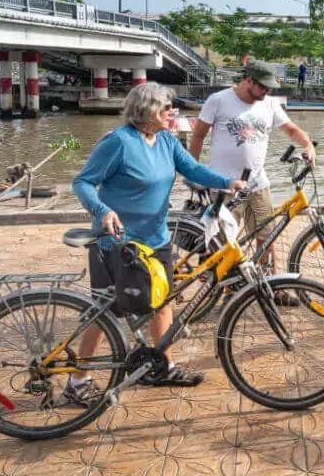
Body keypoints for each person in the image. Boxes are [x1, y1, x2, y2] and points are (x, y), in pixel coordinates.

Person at [70, 83, 246, 405]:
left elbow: (191, 168)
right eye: (167, 109)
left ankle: (164, 366)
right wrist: (102, 210)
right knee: (106, 312)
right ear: (148, 110)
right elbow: (82, 182)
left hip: (157, 239)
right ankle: (78, 380)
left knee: (162, 301)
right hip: (118, 243)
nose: (172, 114)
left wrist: (227, 182)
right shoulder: (118, 142)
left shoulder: (166, 140)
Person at [187, 60, 316, 275]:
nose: (267, 91)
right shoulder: (218, 100)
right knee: (222, 240)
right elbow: (198, 135)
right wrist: (193, 171)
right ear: (248, 80)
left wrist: (308, 144)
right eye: (263, 86)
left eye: (270, 87)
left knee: (267, 234)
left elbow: (291, 129)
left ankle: (271, 284)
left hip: (257, 182)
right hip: (224, 184)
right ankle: (223, 290)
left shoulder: (270, 104)